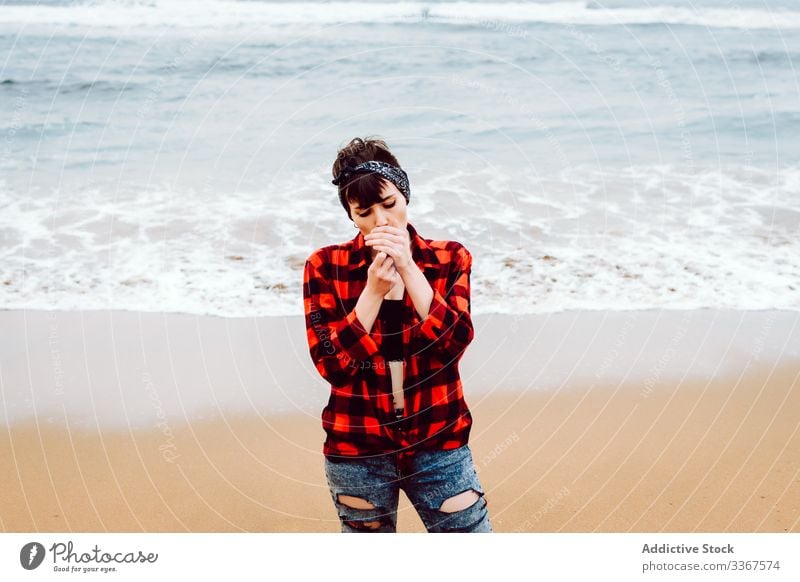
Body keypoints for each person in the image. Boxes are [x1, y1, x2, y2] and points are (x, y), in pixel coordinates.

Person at [303, 137, 491, 533]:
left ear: (405, 195)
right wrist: (371, 292)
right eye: (364, 212)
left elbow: (455, 343)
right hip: (358, 447)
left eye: (388, 205)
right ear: (351, 216)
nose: (381, 221)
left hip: (438, 441)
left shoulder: (449, 258)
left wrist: (409, 269)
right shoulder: (324, 266)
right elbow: (333, 366)